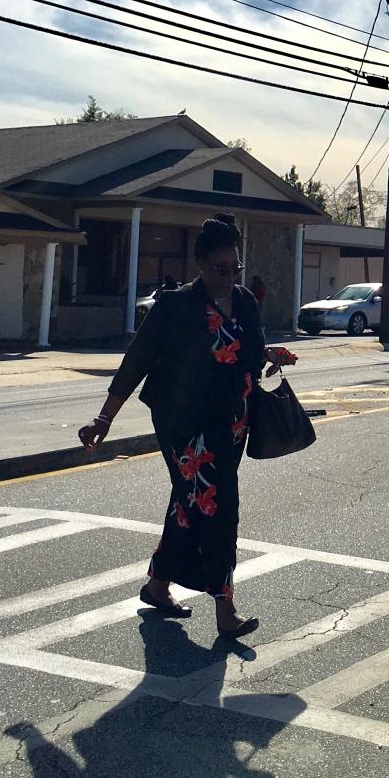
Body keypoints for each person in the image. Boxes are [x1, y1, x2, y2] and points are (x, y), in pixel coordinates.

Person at [78, 213, 297, 640]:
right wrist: (104, 418)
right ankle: (225, 606)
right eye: (219, 268)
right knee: (218, 504)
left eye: (234, 267)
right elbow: (136, 362)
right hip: (184, 423)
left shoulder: (246, 302)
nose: (228, 276)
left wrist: (270, 355)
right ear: (199, 265)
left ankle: (158, 586)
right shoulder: (177, 306)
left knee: (190, 499)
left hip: (232, 422)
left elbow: (248, 354)